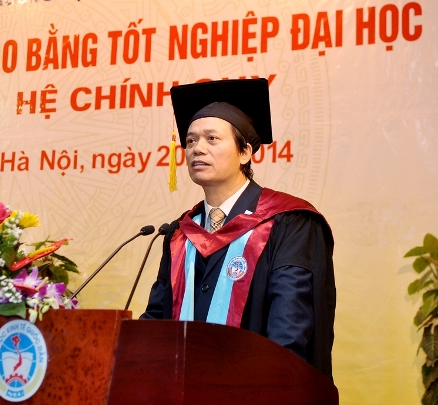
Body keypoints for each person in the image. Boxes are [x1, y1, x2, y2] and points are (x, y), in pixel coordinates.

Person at [140, 78, 336, 380]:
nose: (197, 149)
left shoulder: (288, 223)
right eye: (190, 141)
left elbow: (290, 326)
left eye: (212, 139)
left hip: (257, 388)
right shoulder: (181, 233)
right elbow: (158, 317)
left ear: (245, 153)